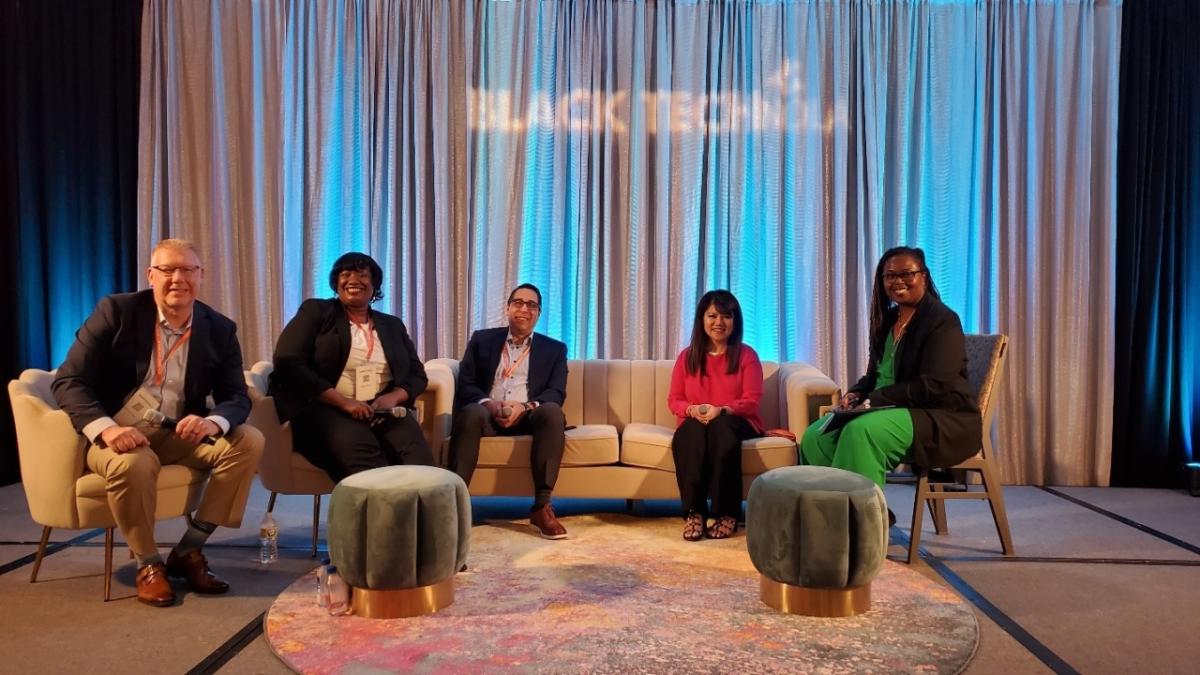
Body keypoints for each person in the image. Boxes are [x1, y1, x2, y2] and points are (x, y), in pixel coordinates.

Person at [52, 238, 264, 607]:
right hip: (117, 435)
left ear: (201, 276)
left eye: (187, 270)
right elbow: (69, 380)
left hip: (176, 432)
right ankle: (148, 564)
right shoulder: (116, 312)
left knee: (249, 440)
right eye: (167, 269)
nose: (177, 278)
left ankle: (190, 549)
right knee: (134, 463)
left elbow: (235, 395)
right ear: (151, 276)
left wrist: (213, 422)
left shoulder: (219, 328)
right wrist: (106, 429)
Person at [800, 246, 981, 524]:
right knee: (815, 436)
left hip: (937, 416)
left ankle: (864, 525)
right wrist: (856, 392)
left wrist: (877, 399)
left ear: (923, 276)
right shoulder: (888, 320)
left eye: (907, 273)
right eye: (890, 276)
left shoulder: (942, 320)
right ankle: (852, 515)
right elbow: (875, 374)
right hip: (888, 408)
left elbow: (936, 384)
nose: (898, 281)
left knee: (861, 432)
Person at [270, 252, 434, 481]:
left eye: (362, 275)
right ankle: (382, 515)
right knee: (365, 456)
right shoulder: (316, 311)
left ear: (374, 284)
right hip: (325, 407)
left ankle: (423, 516)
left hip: (381, 409)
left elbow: (417, 374)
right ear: (336, 283)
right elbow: (287, 361)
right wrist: (343, 401)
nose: (353, 280)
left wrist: (395, 397)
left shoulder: (392, 325)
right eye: (345, 274)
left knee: (420, 459)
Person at [447, 283, 570, 539]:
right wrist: (489, 404)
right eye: (518, 303)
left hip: (528, 416)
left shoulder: (554, 349)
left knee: (552, 413)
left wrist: (524, 407)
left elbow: (556, 392)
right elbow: (466, 382)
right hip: (487, 413)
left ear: (538, 313)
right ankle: (453, 505)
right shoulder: (482, 339)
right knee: (470, 413)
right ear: (507, 308)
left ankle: (542, 506)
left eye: (531, 305)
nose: (524, 309)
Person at [668, 290, 764, 541]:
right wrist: (692, 410)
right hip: (698, 420)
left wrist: (720, 410)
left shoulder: (746, 355)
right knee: (689, 431)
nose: (718, 322)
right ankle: (694, 513)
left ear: (735, 321)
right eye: (712, 315)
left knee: (721, 428)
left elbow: (751, 401)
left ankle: (727, 514)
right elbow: (674, 399)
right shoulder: (687, 357)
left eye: (726, 316)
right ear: (702, 319)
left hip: (736, 420)